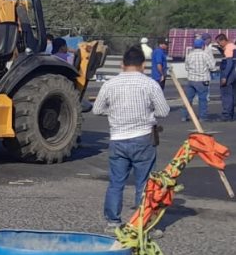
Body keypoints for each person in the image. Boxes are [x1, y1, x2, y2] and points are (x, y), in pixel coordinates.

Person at [92, 46, 170, 229]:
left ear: (122, 64)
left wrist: (113, 112)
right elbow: (163, 111)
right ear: (143, 65)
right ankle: (142, 223)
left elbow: (97, 110)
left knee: (116, 183)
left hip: (118, 138)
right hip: (143, 138)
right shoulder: (150, 84)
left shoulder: (110, 84)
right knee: (144, 183)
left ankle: (112, 222)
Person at [183, 37, 216, 121]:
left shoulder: (189, 55)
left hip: (191, 79)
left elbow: (186, 67)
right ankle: (202, 117)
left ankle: (185, 115)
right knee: (202, 99)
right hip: (202, 79)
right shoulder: (205, 55)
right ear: (203, 46)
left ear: (194, 46)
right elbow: (212, 67)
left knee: (189, 99)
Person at [218, 33, 235, 121]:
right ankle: (231, 114)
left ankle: (227, 115)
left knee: (226, 94)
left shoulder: (228, 49)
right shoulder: (234, 46)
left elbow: (229, 63)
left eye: (219, 43)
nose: (219, 45)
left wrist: (225, 76)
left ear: (223, 40)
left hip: (230, 74)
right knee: (233, 95)